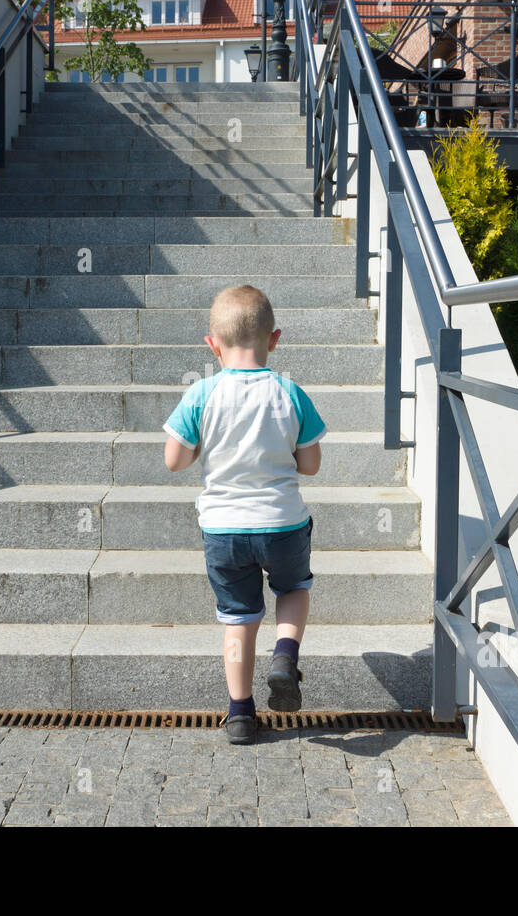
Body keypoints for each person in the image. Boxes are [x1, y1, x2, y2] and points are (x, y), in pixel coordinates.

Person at [162, 285, 326, 745]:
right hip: (283, 524)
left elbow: (174, 460)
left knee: (238, 616)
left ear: (211, 345)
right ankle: (285, 656)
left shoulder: (201, 393)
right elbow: (310, 465)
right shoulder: (290, 392)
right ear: (274, 339)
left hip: (223, 529)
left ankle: (239, 714)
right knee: (293, 587)